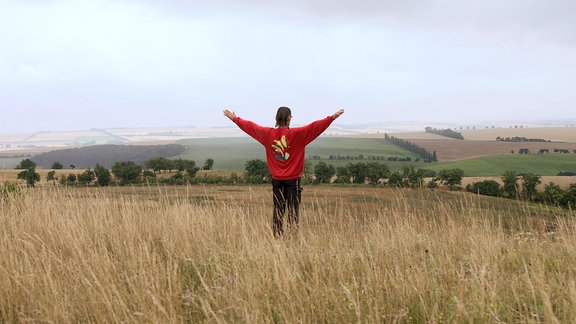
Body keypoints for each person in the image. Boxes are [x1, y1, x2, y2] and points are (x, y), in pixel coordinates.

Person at [223, 106, 344, 237]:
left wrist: (235, 119)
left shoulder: (268, 134)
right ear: (288, 119)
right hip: (294, 181)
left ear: (277, 119)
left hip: (277, 180)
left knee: (278, 210)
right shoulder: (298, 135)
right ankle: (292, 238)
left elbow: (251, 127)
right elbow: (315, 127)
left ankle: (277, 238)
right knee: (293, 211)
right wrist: (331, 118)